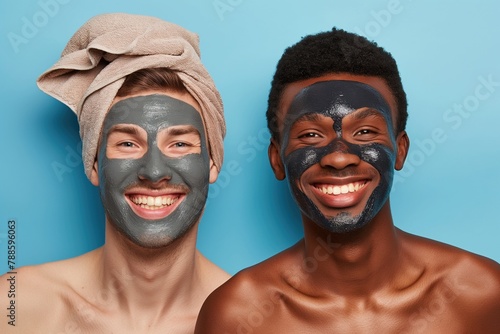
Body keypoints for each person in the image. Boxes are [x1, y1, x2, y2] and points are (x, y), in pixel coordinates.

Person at [195, 28, 500, 333]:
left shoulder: (482, 293)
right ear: (277, 159)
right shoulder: (237, 314)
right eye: (311, 135)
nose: (339, 157)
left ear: (400, 150)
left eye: (365, 132)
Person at [0, 13, 229, 333]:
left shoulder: (253, 317)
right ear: (93, 164)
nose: (153, 171)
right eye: (127, 143)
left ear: (212, 162)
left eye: (178, 143)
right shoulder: (16, 305)